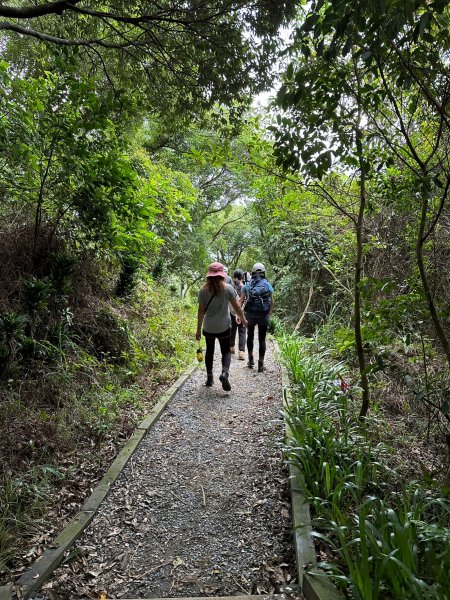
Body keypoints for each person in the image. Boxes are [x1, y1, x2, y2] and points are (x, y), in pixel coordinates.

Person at [196, 262, 247, 390]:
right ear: (222, 275)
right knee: (225, 351)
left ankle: (209, 378)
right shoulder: (228, 288)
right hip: (224, 327)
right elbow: (236, 308)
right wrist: (243, 320)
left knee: (210, 351)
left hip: (208, 327)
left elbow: (201, 311)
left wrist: (198, 330)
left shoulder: (203, 289)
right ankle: (224, 373)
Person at [240, 262, 274, 373]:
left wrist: (239, 314)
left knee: (250, 336)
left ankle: (250, 360)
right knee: (262, 339)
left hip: (250, 315)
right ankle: (260, 364)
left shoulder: (247, 285)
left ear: (253, 272)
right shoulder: (267, 284)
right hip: (263, 315)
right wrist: (269, 313)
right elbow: (272, 301)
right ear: (263, 272)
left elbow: (241, 300)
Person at [230, 269, 246, 360]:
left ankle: (231, 348)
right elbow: (246, 300)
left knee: (233, 330)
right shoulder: (244, 287)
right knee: (242, 331)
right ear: (241, 277)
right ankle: (241, 352)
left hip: (232, 312)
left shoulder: (230, 287)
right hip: (242, 312)